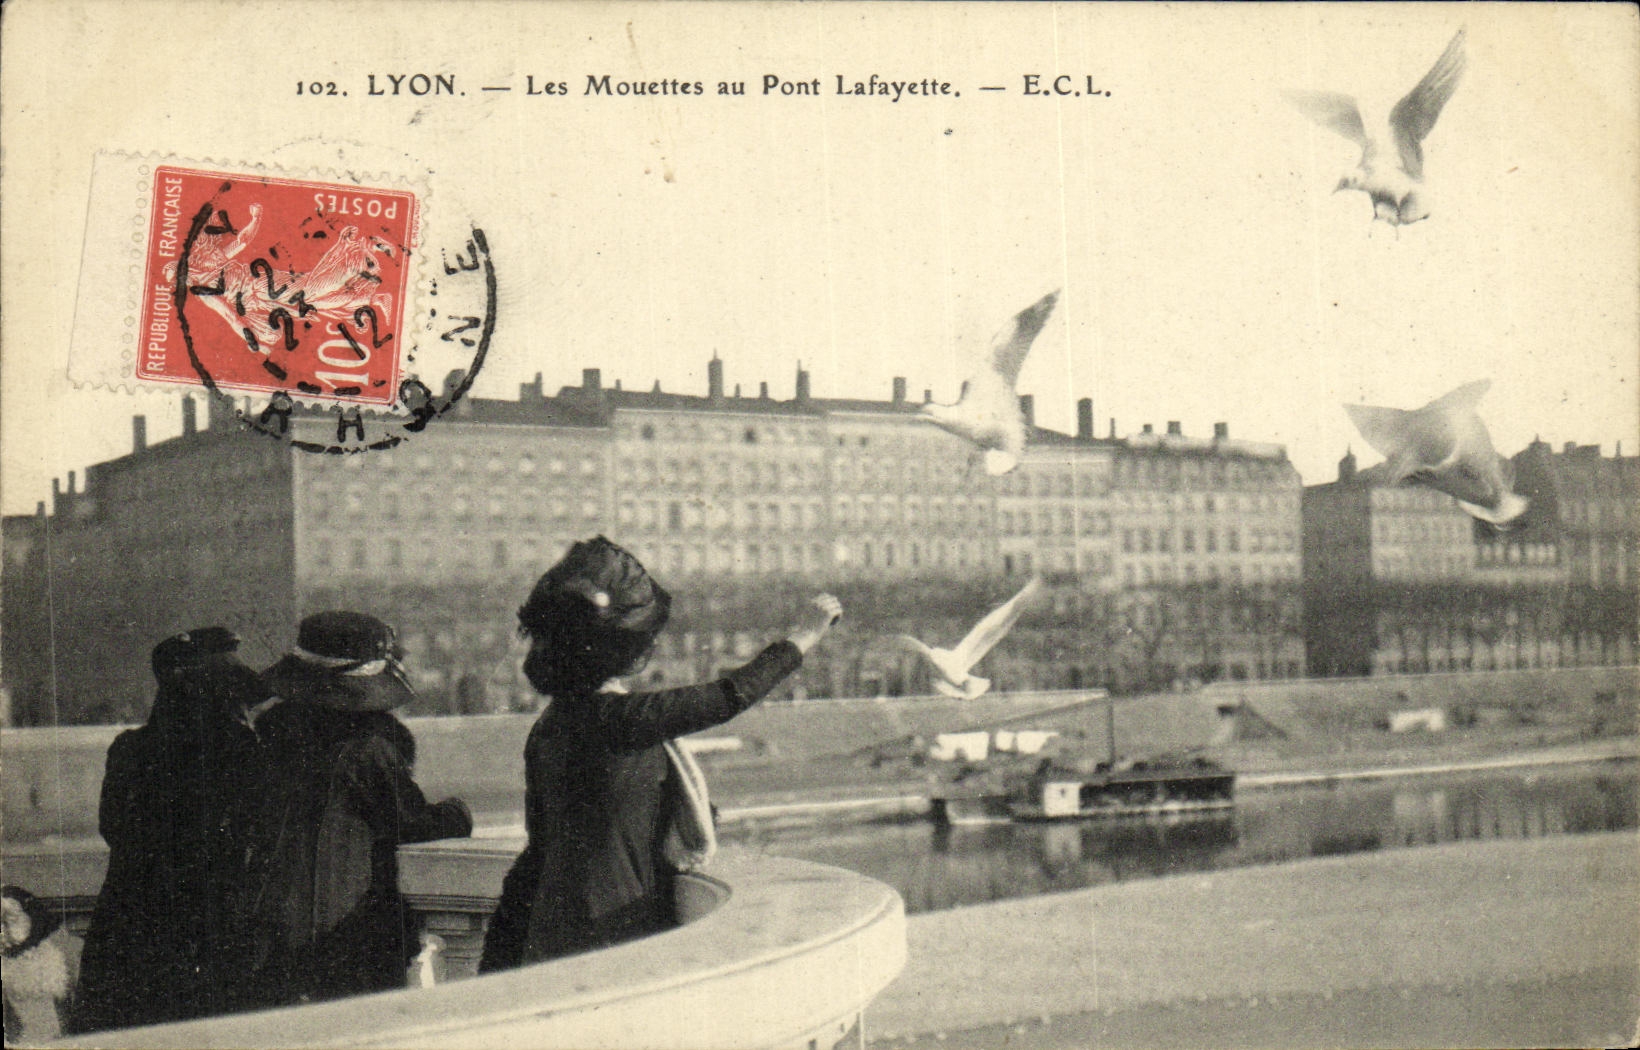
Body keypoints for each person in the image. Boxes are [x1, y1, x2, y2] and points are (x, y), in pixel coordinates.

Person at [479, 536, 841, 972]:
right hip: (615, 928)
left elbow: (540, 848)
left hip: (552, 931)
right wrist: (805, 635)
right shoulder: (622, 718)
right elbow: (731, 695)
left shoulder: (549, 726)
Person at [243, 611, 473, 1008]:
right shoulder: (367, 750)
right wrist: (457, 814)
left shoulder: (268, 738)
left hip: (269, 925)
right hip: (343, 929)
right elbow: (411, 823)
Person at [69, 627, 274, 1034]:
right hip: (210, 921)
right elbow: (255, 831)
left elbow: (112, 827)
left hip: (129, 921)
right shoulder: (239, 746)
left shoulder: (129, 748)